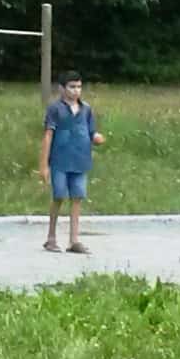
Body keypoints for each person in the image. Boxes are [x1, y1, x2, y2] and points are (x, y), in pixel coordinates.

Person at [38, 71, 104, 254]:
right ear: (61, 89)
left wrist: (97, 137)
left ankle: (74, 240)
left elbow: (91, 132)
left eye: (78, 87)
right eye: (71, 87)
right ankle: (51, 237)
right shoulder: (55, 109)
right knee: (59, 195)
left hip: (80, 160)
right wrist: (43, 165)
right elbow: (48, 135)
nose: (76, 91)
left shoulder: (86, 109)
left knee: (77, 197)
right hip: (60, 160)